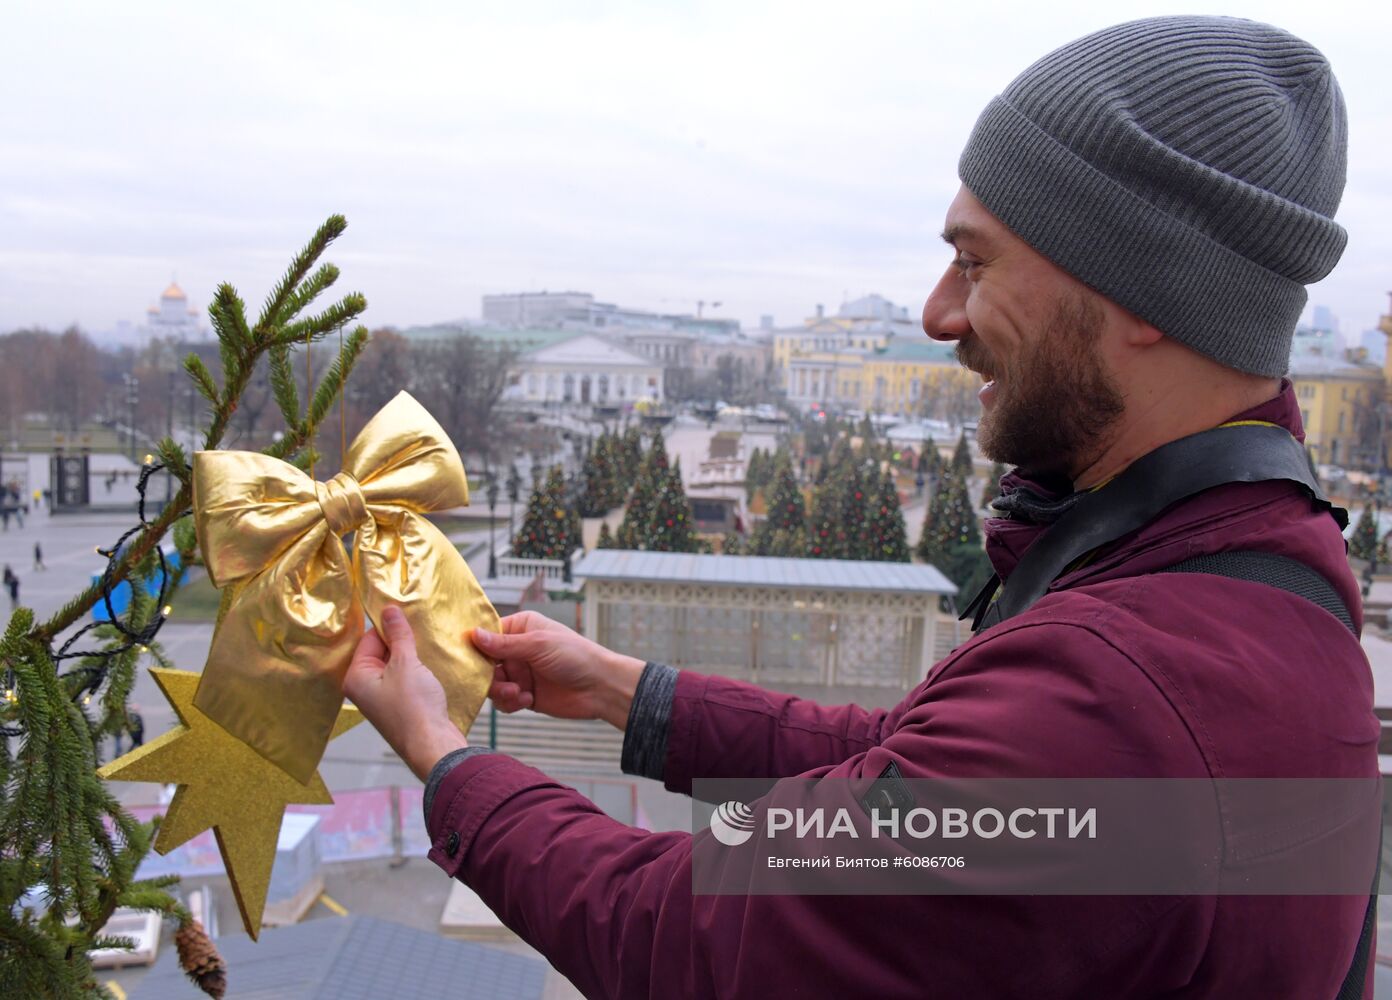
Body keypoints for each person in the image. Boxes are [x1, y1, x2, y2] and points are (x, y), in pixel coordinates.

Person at [345, 17, 1376, 998]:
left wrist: (444, 762)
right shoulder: (1259, 565)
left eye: (975, 262)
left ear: (1145, 289)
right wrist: (629, 692)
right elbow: (915, 762)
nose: (939, 313)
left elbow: (686, 933)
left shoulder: (1119, 694)